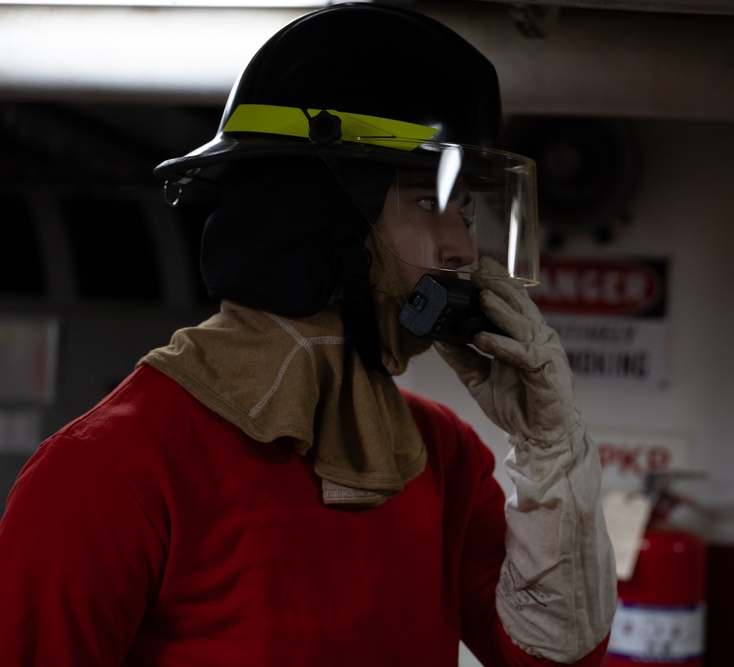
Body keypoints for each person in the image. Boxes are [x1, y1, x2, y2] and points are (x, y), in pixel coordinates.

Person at [0, 4, 616, 665]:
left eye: (465, 211)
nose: (464, 248)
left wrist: (550, 449)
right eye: (426, 201)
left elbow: (552, 662)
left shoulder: (440, 454)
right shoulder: (112, 468)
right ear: (321, 216)